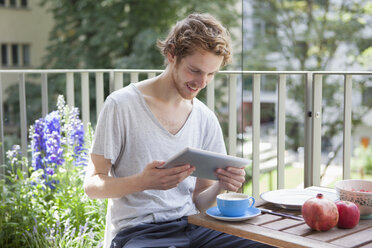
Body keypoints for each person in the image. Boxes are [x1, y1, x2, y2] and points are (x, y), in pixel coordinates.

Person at [84, 13, 272, 248]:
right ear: (172, 54)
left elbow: (202, 203)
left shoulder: (205, 118)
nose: (201, 82)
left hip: (193, 227)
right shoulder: (121, 105)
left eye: (211, 74)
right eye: (194, 70)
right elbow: (92, 186)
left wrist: (223, 185)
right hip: (139, 233)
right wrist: (143, 181)